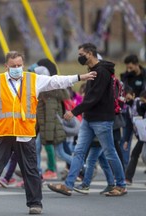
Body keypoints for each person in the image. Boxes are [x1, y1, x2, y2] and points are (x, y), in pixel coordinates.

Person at [0, 50, 96, 215]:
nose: (17, 68)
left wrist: (78, 77)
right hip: (3, 134)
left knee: (30, 170)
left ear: (22, 65)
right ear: (6, 66)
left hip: (25, 133)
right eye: (13, 66)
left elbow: (56, 81)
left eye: (19, 65)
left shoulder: (33, 80)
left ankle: (35, 204)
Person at [48, 43, 127, 197]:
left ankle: (121, 185)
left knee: (110, 152)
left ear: (90, 54)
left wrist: (74, 111)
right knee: (78, 152)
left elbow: (95, 97)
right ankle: (68, 186)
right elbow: (90, 97)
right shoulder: (92, 71)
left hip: (102, 120)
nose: (79, 57)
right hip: (89, 119)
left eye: (81, 54)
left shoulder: (102, 72)